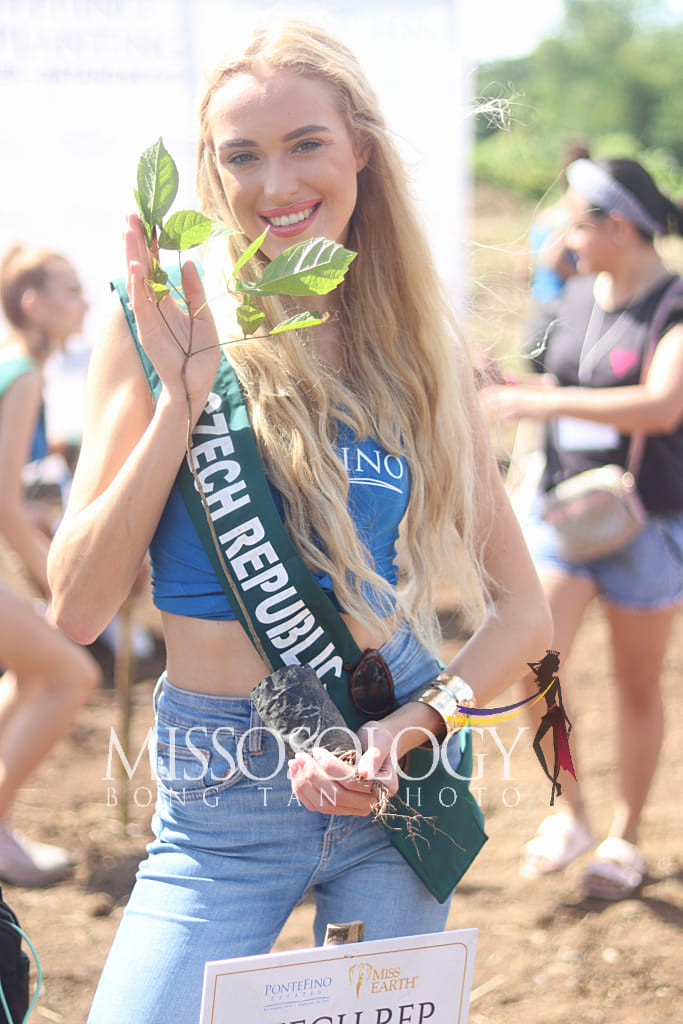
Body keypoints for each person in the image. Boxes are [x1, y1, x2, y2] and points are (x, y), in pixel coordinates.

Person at [48, 19, 551, 1021]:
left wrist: (421, 721)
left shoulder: (413, 352)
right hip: (219, 799)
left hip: (392, 777)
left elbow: (523, 616)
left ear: (358, 145)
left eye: (304, 144)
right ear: (212, 170)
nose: (273, 184)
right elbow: (76, 607)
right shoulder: (152, 324)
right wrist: (182, 400)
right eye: (242, 155)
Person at [482, 157, 683, 900]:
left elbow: (661, 405)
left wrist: (543, 408)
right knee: (536, 664)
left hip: (645, 526)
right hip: (565, 516)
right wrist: (511, 389)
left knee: (636, 684)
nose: (563, 236)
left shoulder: (673, 304)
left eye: (574, 221)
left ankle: (624, 837)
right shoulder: (573, 295)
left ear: (618, 227)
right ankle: (572, 813)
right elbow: (571, 385)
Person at [0, 245, 101, 886]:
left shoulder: (19, 367)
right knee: (73, 674)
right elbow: (3, 498)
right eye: (70, 290)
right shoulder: (24, 373)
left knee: (37, 676)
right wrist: (54, 578)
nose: (85, 301)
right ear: (33, 303)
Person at [517, 140, 591, 373]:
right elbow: (553, 259)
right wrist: (585, 276)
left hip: (540, 304)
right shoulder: (573, 218)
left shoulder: (544, 216)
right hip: (563, 307)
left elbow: (523, 268)